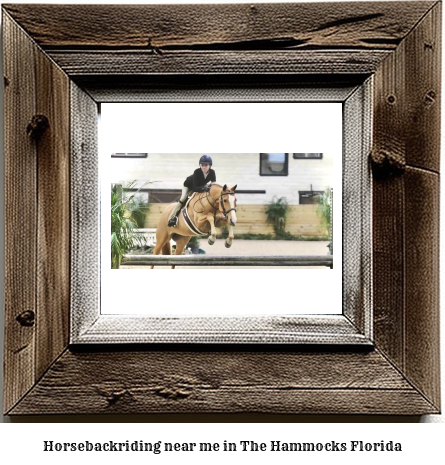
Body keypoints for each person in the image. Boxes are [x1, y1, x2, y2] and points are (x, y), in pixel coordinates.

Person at [167, 155, 217, 227]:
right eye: (202, 165)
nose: (204, 167)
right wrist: (204, 188)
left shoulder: (212, 172)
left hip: (200, 187)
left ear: (210, 165)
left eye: (206, 165)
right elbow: (194, 188)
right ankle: (173, 217)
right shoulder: (197, 172)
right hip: (188, 186)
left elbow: (214, 185)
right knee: (183, 198)